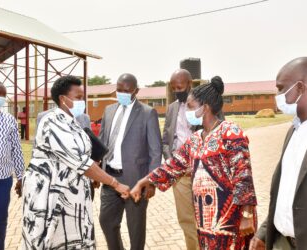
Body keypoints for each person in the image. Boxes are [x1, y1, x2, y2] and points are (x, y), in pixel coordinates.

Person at [131, 76, 257, 250]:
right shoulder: (195, 139)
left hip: (230, 220)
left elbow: (243, 175)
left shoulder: (230, 132)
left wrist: (247, 214)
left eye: (190, 107)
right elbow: (173, 166)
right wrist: (144, 181)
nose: (186, 111)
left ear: (204, 108)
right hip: (205, 220)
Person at [22, 75, 130, 249]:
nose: (83, 101)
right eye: (78, 97)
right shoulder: (53, 122)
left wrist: (97, 171)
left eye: (83, 97)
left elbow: (87, 157)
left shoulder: (72, 122)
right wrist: (115, 184)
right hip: (51, 194)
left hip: (71, 195)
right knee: (50, 239)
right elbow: (81, 163)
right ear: (63, 99)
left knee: (71, 239)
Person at [249, 57, 307, 250]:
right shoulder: (294, 130)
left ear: (300, 88)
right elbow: (286, 191)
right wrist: (264, 232)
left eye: (281, 88)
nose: (278, 95)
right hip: (282, 243)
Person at [98, 73, 162, 250]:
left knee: (135, 229)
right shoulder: (109, 110)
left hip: (136, 181)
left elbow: (155, 152)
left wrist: (151, 182)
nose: (122, 94)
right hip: (110, 178)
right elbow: (102, 142)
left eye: (127, 91)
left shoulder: (148, 113)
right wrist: (96, 170)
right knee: (106, 221)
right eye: (119, 90)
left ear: (136, 91)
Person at [162, 69, 199, 249]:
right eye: (174, 87)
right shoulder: (171, 108)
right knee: (186, 220)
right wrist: (172, 162)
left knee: (206, 218)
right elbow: (166, 139)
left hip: (202, 172)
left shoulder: (204, 104)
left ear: (190, 84)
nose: (177, 90)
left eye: (180, 87)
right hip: (180, 175)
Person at [0, 80, 24, 250]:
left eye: (4, 95)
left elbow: (16, 150)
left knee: (1, 219)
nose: (2, 98)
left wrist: (21, 177)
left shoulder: (10, 120)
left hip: (3, 179)